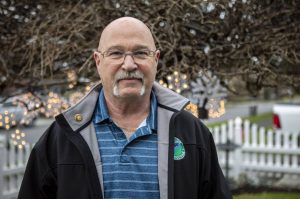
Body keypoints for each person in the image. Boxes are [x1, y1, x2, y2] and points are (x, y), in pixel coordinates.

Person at [18, 17, 232, 199]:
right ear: (97, 61)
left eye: (140, 53)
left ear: (155, 60)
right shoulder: (62, 137)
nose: (129, 64)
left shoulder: (191, 132)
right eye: (116, 53)